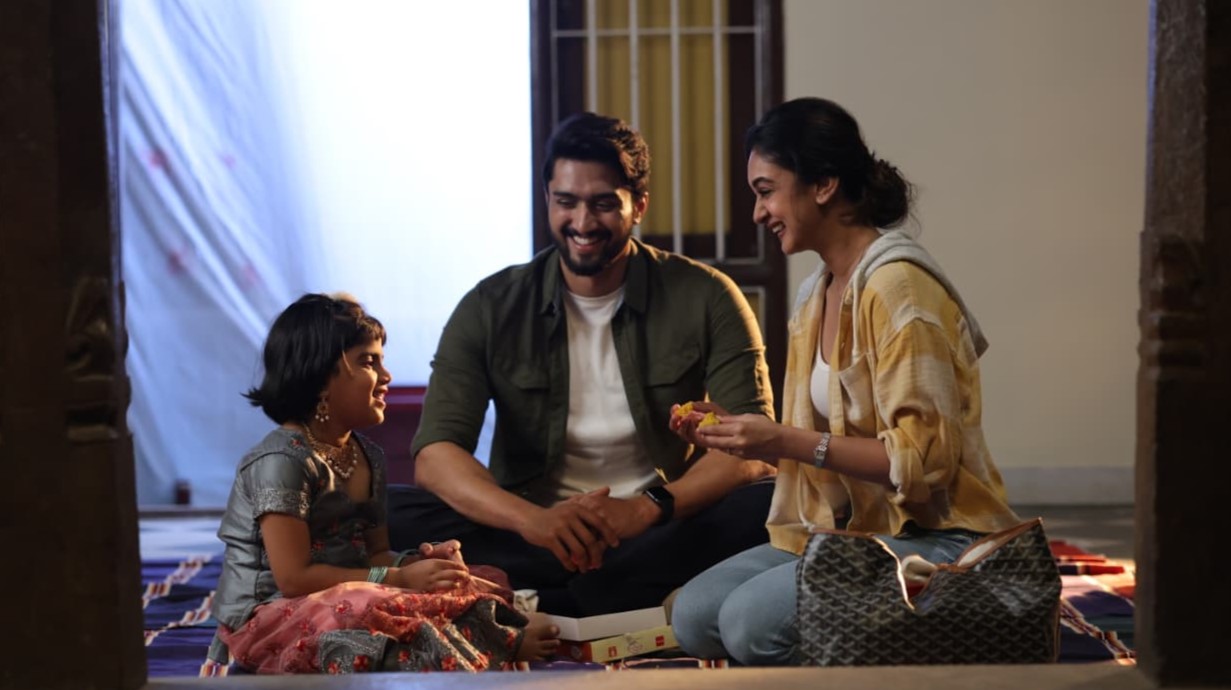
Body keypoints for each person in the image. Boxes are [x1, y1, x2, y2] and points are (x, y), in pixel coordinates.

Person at [668, 97, 1022, 665]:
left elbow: (924, 464)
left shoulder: (900, 290)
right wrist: (738, 433)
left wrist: (782, 439)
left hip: (937, 537)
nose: (758, 212)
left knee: (747, 625)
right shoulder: (817, 293)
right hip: (855, 533)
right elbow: (818, 447)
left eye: (766, 190)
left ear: (824, 185)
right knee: (693, 614)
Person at [388, 112, 778, 616]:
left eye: (603, 204)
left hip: (656, 527)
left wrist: (647, 508)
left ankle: (539, 599)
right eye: (566, 202)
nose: (583, 222)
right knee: (387, 510)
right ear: (548, 199)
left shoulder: (707, 296)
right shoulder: (491, 305)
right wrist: (533, 520)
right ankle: (614, 597)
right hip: (533, 533)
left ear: (639, 205)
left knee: (766, 502)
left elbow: (752, 450)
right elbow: (436, 455)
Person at [207, 294, 559, 674]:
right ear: (321, 377)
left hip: (352, 589)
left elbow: (375, 556)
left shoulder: (367, 456)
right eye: (368, 362)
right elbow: (293, 579)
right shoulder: (282, 462)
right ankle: (495, 640)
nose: (387, 376)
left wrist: (421, 565)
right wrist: (400, 578)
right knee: (370, 607)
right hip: (272, 611)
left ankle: (487, 635)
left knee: (471, 580)